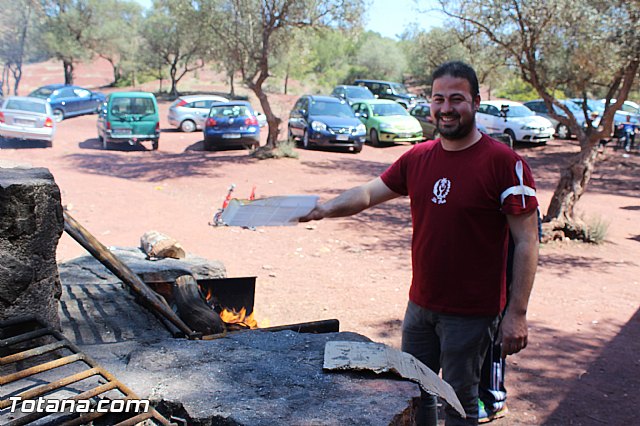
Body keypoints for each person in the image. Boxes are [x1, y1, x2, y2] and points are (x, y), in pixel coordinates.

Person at [300, 61, 539, 425]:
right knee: (413, 394)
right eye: (438, 98)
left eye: (456, 99)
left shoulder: (504, 163)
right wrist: (322, 209)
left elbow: (527, 242)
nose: (445, 108)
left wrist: (517, 314)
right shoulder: (418, 157)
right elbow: (367, 193)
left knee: (460, 403)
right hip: (420, 307)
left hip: (472, 314)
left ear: (475, 102)